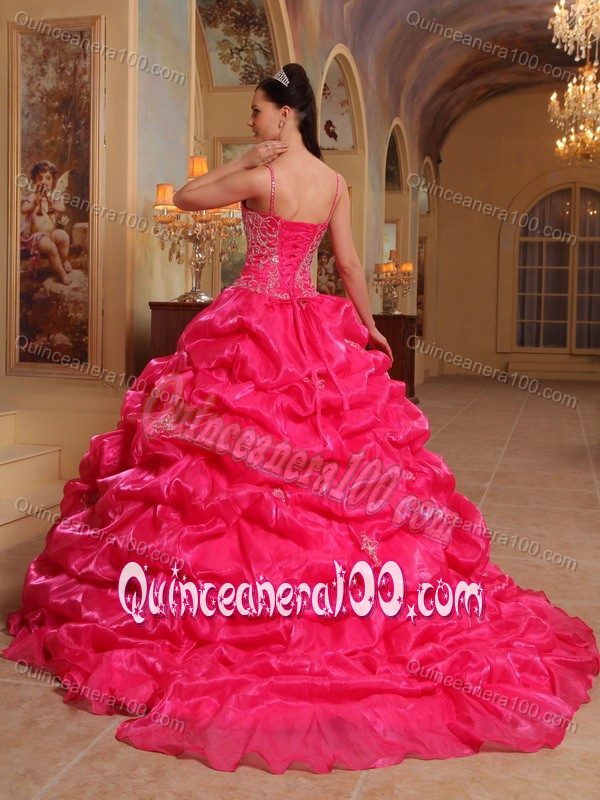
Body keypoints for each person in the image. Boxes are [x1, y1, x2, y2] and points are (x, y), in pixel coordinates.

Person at [2, 63, 598, 775]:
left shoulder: (264, 175)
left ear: (284, 115)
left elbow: (188, 198)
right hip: (312, 330)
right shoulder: (335, 184)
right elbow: (348, 266)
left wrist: (243, 160)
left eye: (257, 112)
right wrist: (368, 328)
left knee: (226, 465)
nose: (252, 122)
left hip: (253, 320)